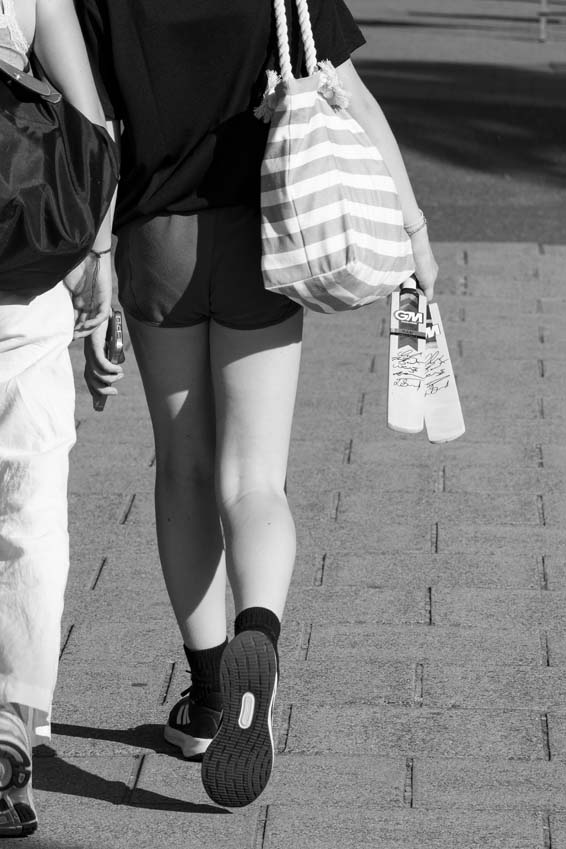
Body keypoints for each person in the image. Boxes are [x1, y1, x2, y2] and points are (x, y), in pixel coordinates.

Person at [77, 0, 438, 808]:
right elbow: (354, 92)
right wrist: (412, 234)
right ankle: (259, 636)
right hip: (266, 232)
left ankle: (207, 699)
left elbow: (95, 125)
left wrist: (95, 263)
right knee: (256, 480)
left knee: (183, 468)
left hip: (155, 235)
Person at [0, 0, 117, 835]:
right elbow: (89, 121)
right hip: (18, 268)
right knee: (29, 498)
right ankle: (7, 726)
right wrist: (97, 257)